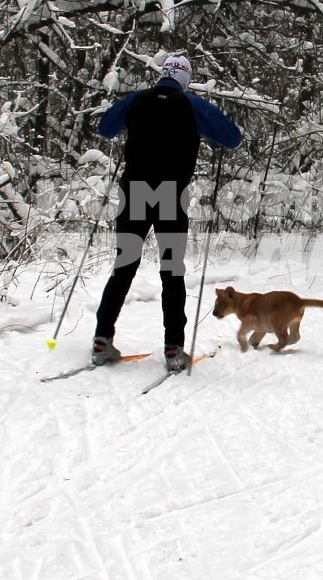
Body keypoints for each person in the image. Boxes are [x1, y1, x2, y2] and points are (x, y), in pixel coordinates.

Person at [92, 53, 242, 371]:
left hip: (134, 194)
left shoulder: (136, 99)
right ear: (185, 79)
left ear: (163, 74)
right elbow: (232, 139)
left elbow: (105, 129)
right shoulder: (192, 105)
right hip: (169, 197)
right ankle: (173, 349)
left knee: (124, 267)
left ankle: (101, 340)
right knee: (171, 271)